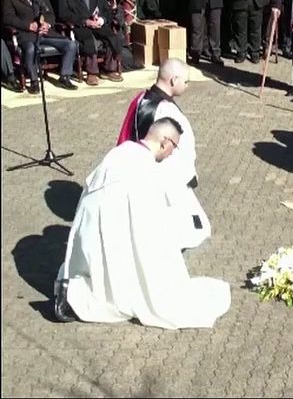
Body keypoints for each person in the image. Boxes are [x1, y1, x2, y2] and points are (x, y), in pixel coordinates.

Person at [53, 117, 231, 329]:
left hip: (89, 232)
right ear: (165, 142)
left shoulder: (119, 152)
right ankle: (75, 296)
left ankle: (73, 290)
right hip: (112, 233)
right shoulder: (147, 168)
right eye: (174, 147)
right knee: (139, 290)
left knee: (104, 277)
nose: (172, 153)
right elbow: (151, 224)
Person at [116, 58, 211, 251]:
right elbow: (173, 151)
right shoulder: (165, 110)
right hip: (165, 182)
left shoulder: (142, 98)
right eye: (185, 81)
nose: (187, 86)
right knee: (182, 231)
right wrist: (188, 177)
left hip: (147, 173)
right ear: (174, 80)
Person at [3, 0, 78, 92]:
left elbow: (50, 14)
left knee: (71, 44)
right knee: (30, 49)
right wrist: (28, 26)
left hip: (45, 34)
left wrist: (47, 24)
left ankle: (64, 77)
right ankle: (34, 81)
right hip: (26, 35)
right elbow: (8, 18)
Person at [58, 0, 123, 86]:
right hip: (80, 26)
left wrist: (101, 20)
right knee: (88, 39)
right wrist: (85, 22)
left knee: (112, 36)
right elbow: (64, 14)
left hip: (98, 25)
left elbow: (107, 12)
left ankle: (109, 69)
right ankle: (92, 72)